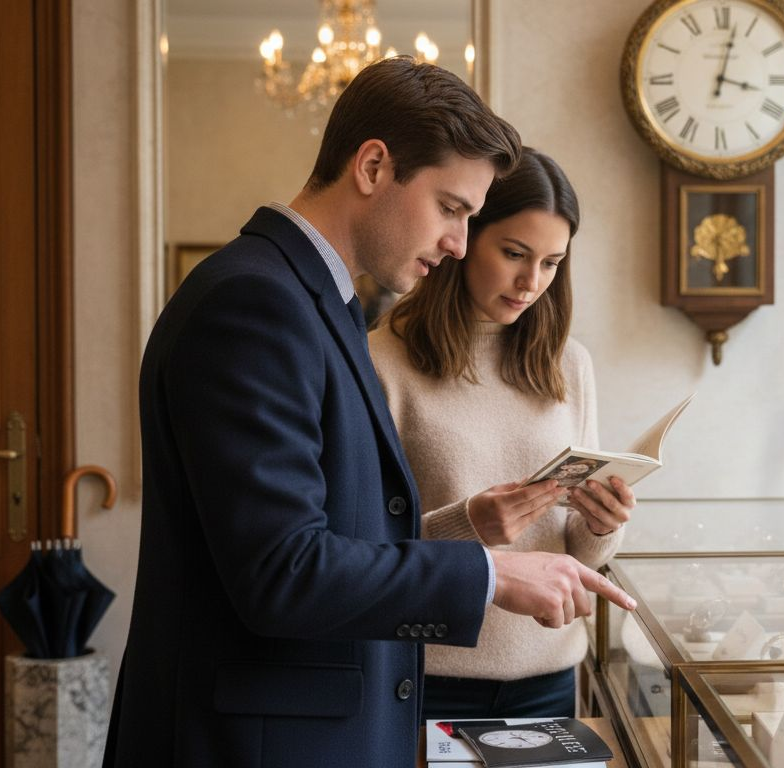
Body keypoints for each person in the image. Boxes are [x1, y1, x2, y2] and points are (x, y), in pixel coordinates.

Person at [104, 60, 635, 767]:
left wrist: (472, 527)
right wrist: (493, 575)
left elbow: (336, 528)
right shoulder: (255, 303)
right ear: (374, 166)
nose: (456, 242)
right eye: (450, 208)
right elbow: (283, 571)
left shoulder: (317, 304)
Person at [369, 148, 636, 719]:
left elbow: (574, 547)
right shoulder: (382, 360)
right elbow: (359, 552)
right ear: (465, 237)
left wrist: (600, 525)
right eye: (514, 253)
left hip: (550, 676)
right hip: (425, 677)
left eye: (551, 263)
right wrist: (468, 525)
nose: (530, 281)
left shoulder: (568, 365)